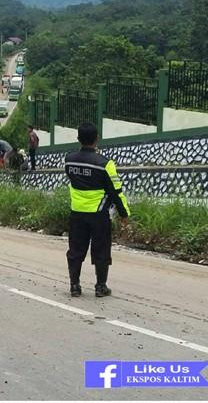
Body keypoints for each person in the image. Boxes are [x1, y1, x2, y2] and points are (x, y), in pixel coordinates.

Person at [64, 122, 130, 298]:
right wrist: (124, 214)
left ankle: (74, 286)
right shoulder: (105, 164)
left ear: (78, 139)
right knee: (101, 249)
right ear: (97, 139)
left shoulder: (69, 160)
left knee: (75, 250)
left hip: (77, 213)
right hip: (99, 215)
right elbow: (116, 191)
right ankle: (101, 287)